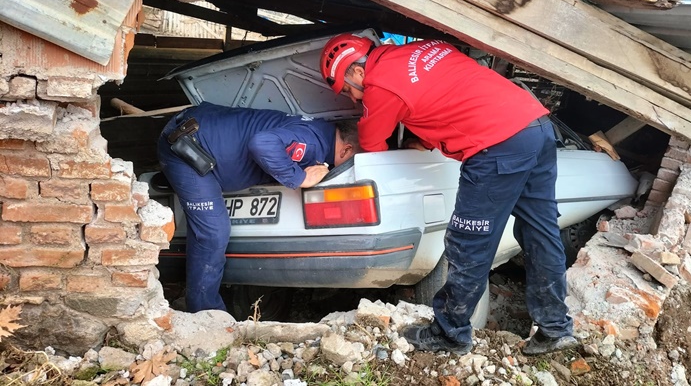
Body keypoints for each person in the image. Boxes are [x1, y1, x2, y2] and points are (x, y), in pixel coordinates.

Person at [319, 34, 577, 356]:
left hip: (496, 146)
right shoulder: (424, 48)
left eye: (348, 90)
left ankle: (450, 332)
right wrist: (426, 140)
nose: (355, 98)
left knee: (468, 241)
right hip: (534, 126)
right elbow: (449, 95)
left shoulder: (379, 86)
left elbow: (373, 148)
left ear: (356, 72)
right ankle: (555, 327)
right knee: (540, 229)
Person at [157, 101, 360, 313]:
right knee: (213, 233)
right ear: (346, 149)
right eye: (352, 160)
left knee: (211, 229)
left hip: (204, 131)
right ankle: (204, 314)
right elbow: (262, 143)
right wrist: (299, 177)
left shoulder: (321, 133)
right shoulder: (312, 143)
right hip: (186, 147)